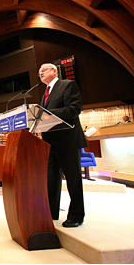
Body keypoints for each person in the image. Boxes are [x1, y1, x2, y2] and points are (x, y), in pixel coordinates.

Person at [38, 63, 86, 228]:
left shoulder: (67, 85)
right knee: (51, 179)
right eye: (39, 72)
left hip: (68, 140)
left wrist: (46, 114)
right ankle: (50, 212)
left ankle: (76, 216)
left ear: (54, 71)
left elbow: (74, 109)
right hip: (50, 142)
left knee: (73, 179)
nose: (41, 73)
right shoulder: (45, 93)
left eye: (44, 70)